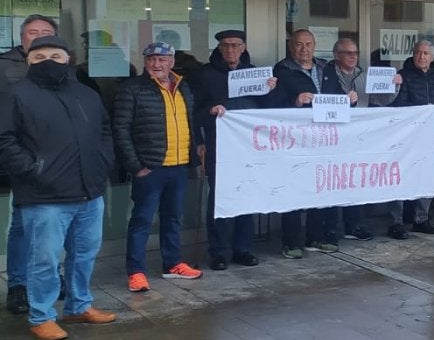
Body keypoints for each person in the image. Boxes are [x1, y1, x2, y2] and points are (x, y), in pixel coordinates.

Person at [0, 36, 116, 340]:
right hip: (44, 195)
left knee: (84, 254)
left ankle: (79, 306)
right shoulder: (16, 95)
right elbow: (6, 140)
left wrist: (103, 163)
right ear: (28, 61)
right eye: (39, 57)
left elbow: (105, 130)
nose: (48, 61)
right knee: (45, 259)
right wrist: (32, 170)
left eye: (56, 55)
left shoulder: (86, 94)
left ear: (68, 60)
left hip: (89, 191)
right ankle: (42, 315)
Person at [113, 41, 202, 291]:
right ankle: (136, 272)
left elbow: (191, 121)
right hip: (149, 168)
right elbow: (120, 129)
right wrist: (135, 166)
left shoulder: (183, 87)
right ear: (145, 62)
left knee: (173, 218)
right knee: (141, 220)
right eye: (151, 59)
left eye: (162, 60)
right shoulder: (133, 88)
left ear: (172, 62)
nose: (156, 64)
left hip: (179, 165)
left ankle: (172, 264)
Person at [194, 29, 277, 270]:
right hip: (217, 144)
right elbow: (194, 111)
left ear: (243, 47)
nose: (230, 50)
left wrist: (270, 90)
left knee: (246, 196)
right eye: (226, 45)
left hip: (249, 147)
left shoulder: (255, 74)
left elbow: (268, 110)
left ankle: (243, 248)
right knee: (219, 198)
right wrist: (209, 113)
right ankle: (218, 252)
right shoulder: (204, 75)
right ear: (219, 48)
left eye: (235, 45)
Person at [1, 12, 60, 315]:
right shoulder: (4, 66)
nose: (38, 36)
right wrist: (20, 160)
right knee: (22, 226)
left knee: (55, 224)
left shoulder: (64, 67)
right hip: (22, 160)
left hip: (60, 160)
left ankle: (49, 277)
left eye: (45, 31)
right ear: (21, 37)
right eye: (31, 32)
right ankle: (18, 285)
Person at [269, 28, 344, 258]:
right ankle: (291, 242)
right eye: (299, 44)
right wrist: (295, 101)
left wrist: (348, 100)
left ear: (314, 46)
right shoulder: (281, 70)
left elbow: (337, 95)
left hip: (323, 140)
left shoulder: (327, 68)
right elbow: (269, 103)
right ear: (291, 47)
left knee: (320, 189)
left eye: (308, 44)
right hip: (295, 141)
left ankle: (317, 237)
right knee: (294, 190)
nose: (304, 49)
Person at [323, 37, 399, 242]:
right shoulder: (325, 74)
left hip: (358, 137)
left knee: (353, 182)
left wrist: (394, 87)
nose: (353, 56)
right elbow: (321, 104)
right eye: (348, 53)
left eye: (355, 53)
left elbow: (381, 100)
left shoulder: (363, 75)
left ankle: (353, 225)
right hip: (333, 135)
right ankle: (328, 228)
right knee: (331, 182)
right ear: (336, 55)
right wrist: (343, 102)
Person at [388, 40, 434, 236]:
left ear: (432, 57)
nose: (422, 57)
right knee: (400, 175)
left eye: (425, 53)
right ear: (413, 55)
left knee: (426, 177)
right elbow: (398, 105)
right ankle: (396, 222)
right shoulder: (403, 77)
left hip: (432, 137)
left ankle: (421, 219)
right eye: (418, 53)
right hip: (408, 137)